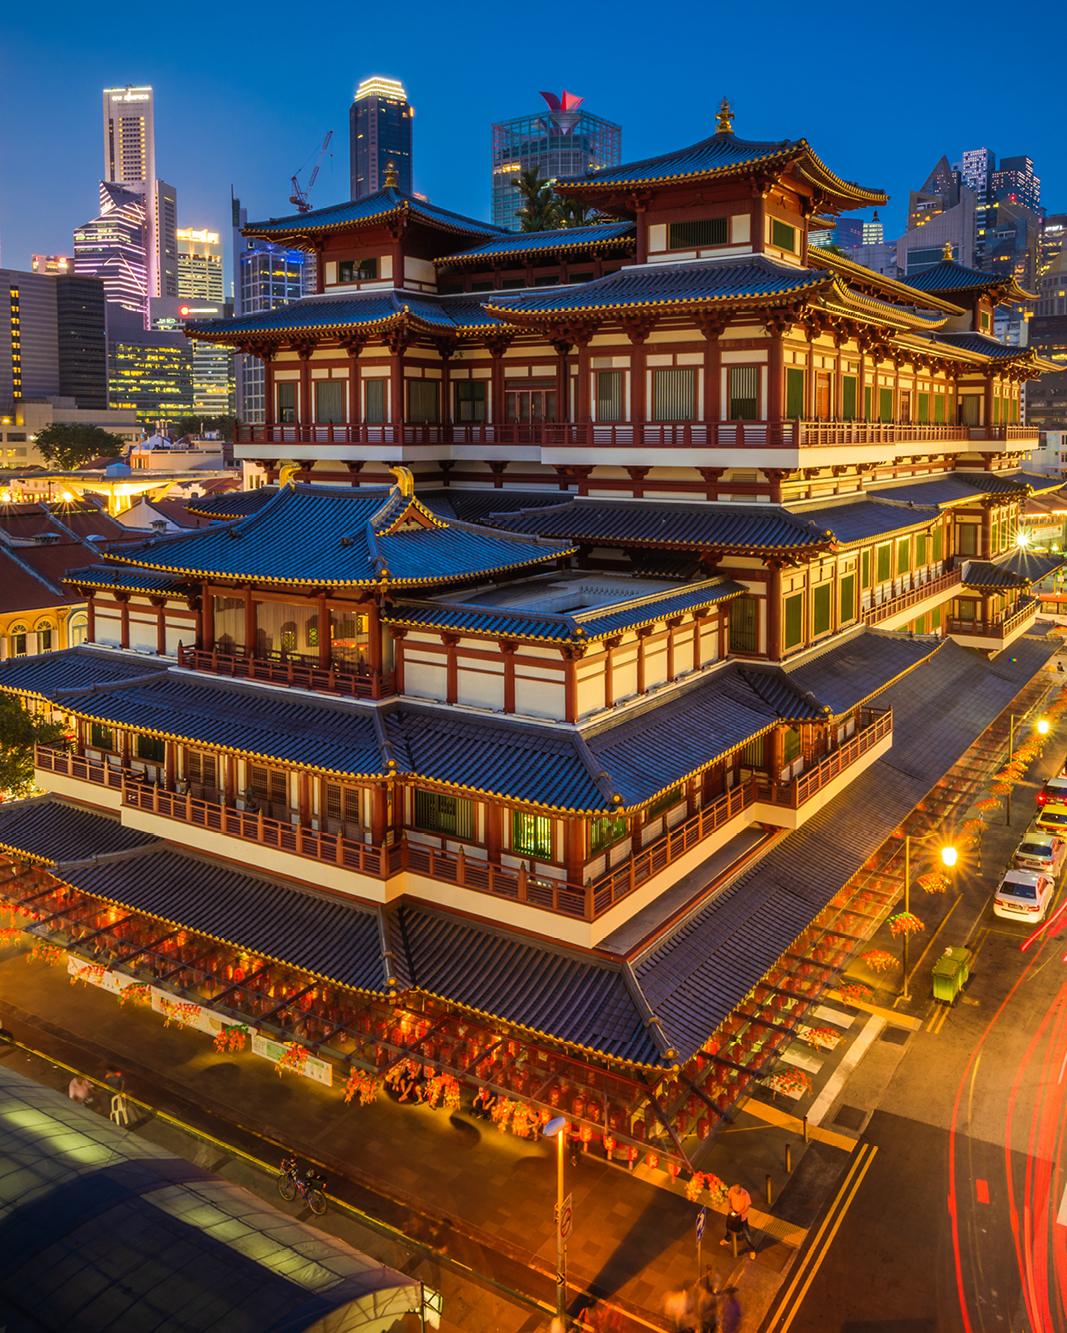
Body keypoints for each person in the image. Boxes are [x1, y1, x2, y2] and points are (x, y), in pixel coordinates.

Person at [720, 1182, 756, 1259]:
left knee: (746, 1233)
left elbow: (747, 1207)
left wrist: (739, 1213)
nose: (735, 1192)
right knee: (729, 1227)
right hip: (733, 1213)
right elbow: (729, 1198)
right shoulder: (732, 1190)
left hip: (742, 1217)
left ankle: (752, 1249)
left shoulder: (745, 1194)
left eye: (737, 1190)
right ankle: (727, 1239)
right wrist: (730, 1207)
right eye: (734, 1190)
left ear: (740, 1188)